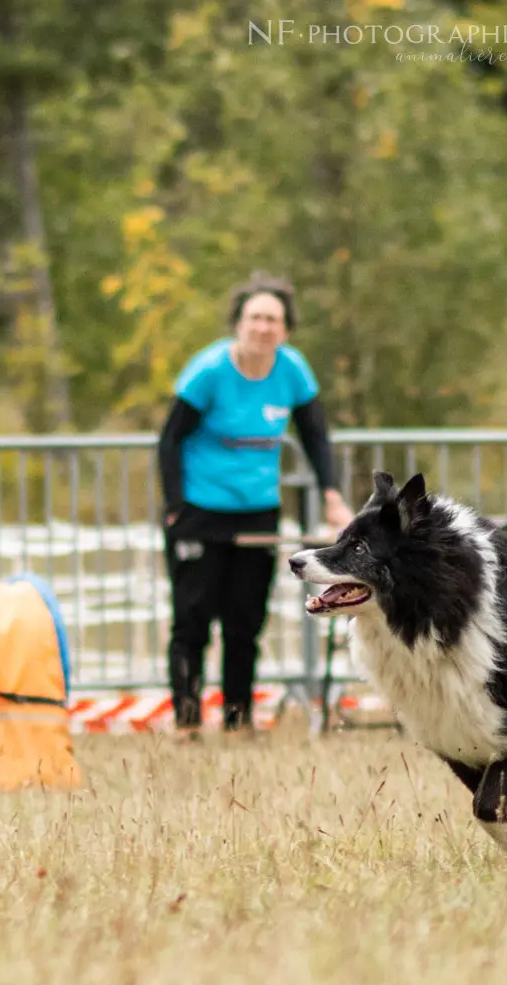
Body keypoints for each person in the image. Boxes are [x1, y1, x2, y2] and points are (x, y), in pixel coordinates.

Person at [158, 272, 353, 734]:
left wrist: (332, 497)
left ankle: (238, 719)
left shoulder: (292, 370)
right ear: (239, 323)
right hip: (200, 510)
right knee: (192, 621)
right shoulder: (207, 372)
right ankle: (186, 721)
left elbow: (315, 436)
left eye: (273, 319)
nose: (263, 327)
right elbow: (169, 441)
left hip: (258, 511)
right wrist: (174, 507)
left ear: (284, 329)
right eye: (255, 318)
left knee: (244, 622)